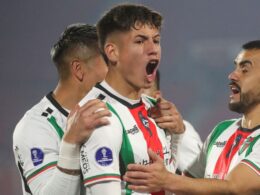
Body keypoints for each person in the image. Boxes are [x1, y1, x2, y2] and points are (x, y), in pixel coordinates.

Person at [124, 40, 260, 194]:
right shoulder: (222, 130)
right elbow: (188, 186)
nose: (232, 75)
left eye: (245, 69)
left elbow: (234, 187)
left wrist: (166, 179)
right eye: (236, 67)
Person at [79, 4, 185, 195]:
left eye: (156, 40)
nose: (153, 50)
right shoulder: (99, 114)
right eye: (140, 41)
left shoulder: (153, 108)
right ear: (112, 52)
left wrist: (176, 135)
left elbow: (166, 178)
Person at [13, 23, 110, 195]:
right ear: (78, 69)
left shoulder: (110, 111)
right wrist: (70, 143)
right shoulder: (35, 127)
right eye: (107, 61)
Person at [141, 70, 202, 173]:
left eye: (141, 91)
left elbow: (202, 180)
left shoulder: (177, 130)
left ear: (157, 97)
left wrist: (166, 181)